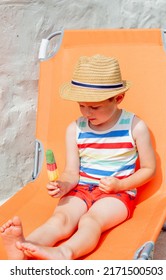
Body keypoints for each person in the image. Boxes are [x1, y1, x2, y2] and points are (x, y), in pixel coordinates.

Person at [0, 54, 156, 260]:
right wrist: (64, 185)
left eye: (95, 107)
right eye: (82, 105)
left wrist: (121, 185)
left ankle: (65, 252)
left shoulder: (135, 126)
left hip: (117, 195)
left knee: (91, 221)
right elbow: (72, 171)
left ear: (118, 99)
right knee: (60, 218)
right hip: (81, 189)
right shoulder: (75, 128)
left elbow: (149, 169)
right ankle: (25, 247)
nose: (87, 112)